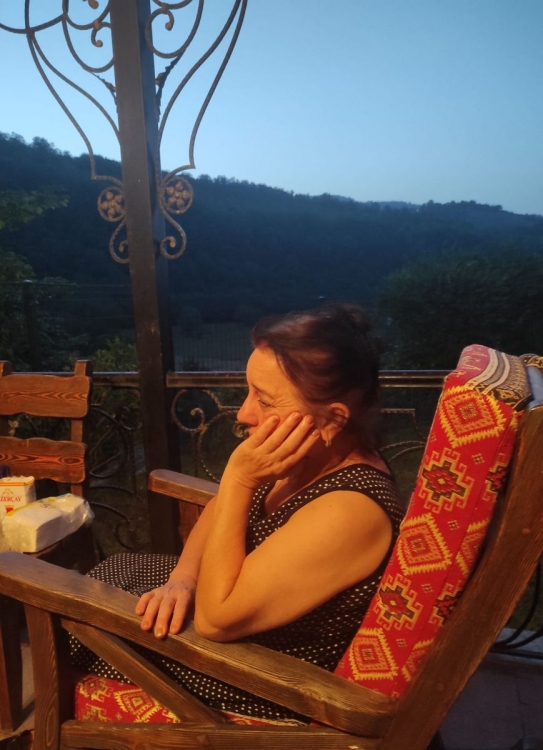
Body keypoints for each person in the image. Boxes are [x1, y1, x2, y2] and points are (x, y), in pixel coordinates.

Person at [72, 302, 405, 722]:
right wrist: (183, 579)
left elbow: (216, 621)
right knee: (106, 577)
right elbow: (219, 510)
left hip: (255, 675)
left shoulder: (348, 512)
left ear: (332, 420)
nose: (244, 413)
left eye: (263, 400)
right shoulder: (308, 461)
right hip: (226, 628)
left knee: (70, 621)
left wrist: (238, 479)